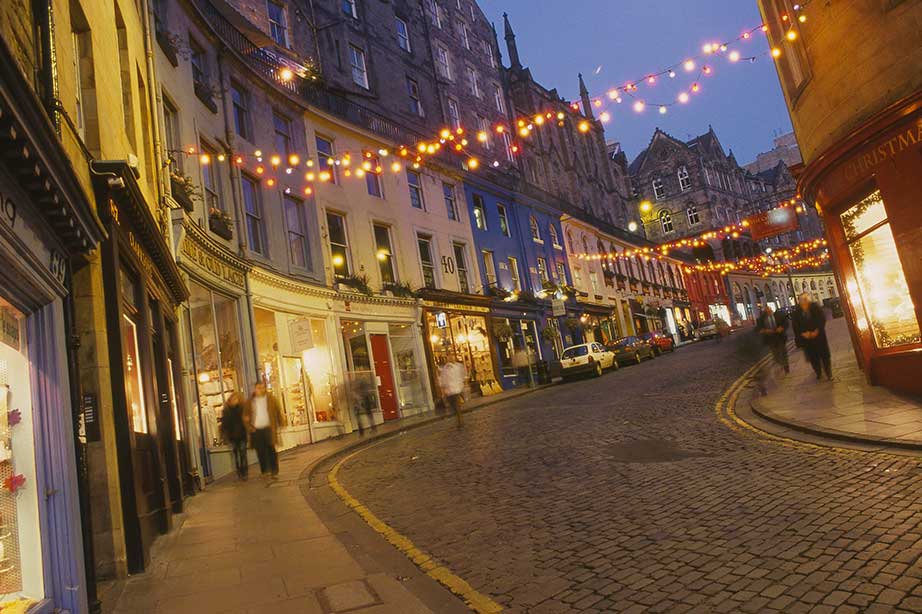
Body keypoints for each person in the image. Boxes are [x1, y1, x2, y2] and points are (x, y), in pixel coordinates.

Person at [245, 380, 287, 478]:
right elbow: (245, 416)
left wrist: (281, 422)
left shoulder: (270, 398)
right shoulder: (250, 401)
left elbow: (277, 410)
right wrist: (249, 428)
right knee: (260, 451)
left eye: (262, 387)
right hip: (256, 429)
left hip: (268, 428)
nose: (261, 390)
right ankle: (264, 470)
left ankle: (274, 470)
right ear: (255, 389)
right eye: (258, 388)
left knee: (271, 449)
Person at [792, 293, 832, 381]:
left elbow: (822, 319)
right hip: (807, 339)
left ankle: (828, 372)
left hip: (819, 336)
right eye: (802, 300)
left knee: (824, 355)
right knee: (813, 357)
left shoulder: (815, 307)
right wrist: (803, 334)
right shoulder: (796, 312)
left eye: (806, 299)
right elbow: (795, 326)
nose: (804, 302)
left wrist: (816, 331)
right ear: (799, 301)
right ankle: (818, 372)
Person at [220, 392, 249, 480]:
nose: (234, 401)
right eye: (232, 399)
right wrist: (224, 434)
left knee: (243, 453)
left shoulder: (242, 408)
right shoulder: (226, 410)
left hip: (242, 435)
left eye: (236, 399)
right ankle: (239, 471)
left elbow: (246, 421)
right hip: (232, 436)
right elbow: (224, 423)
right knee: (236, 455)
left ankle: (244, 472)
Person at [756, 305, 790, 374]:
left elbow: (786, 323)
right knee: (775, 355)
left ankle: (786, 366)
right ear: (765, 312)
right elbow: (758, 329)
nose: (769, 311)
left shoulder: (778, 315)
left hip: (780, 337)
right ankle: (781, 362)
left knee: (783, 352)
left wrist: (782, 328)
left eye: (770, 310)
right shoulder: (761, 319)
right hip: (770, 339)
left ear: (772, 310)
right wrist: (765, 330)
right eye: (767, 310)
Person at [438, 356, 467, 427]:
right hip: (452, 390)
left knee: (456, 406)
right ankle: (459, 419)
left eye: (450, 358)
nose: (450, 359)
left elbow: (461, 376)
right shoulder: (446, 368)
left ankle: (460, 421)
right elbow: (443, 379)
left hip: (454, 390)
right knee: (455, 406)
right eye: (448, 358)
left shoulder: (456, 367)